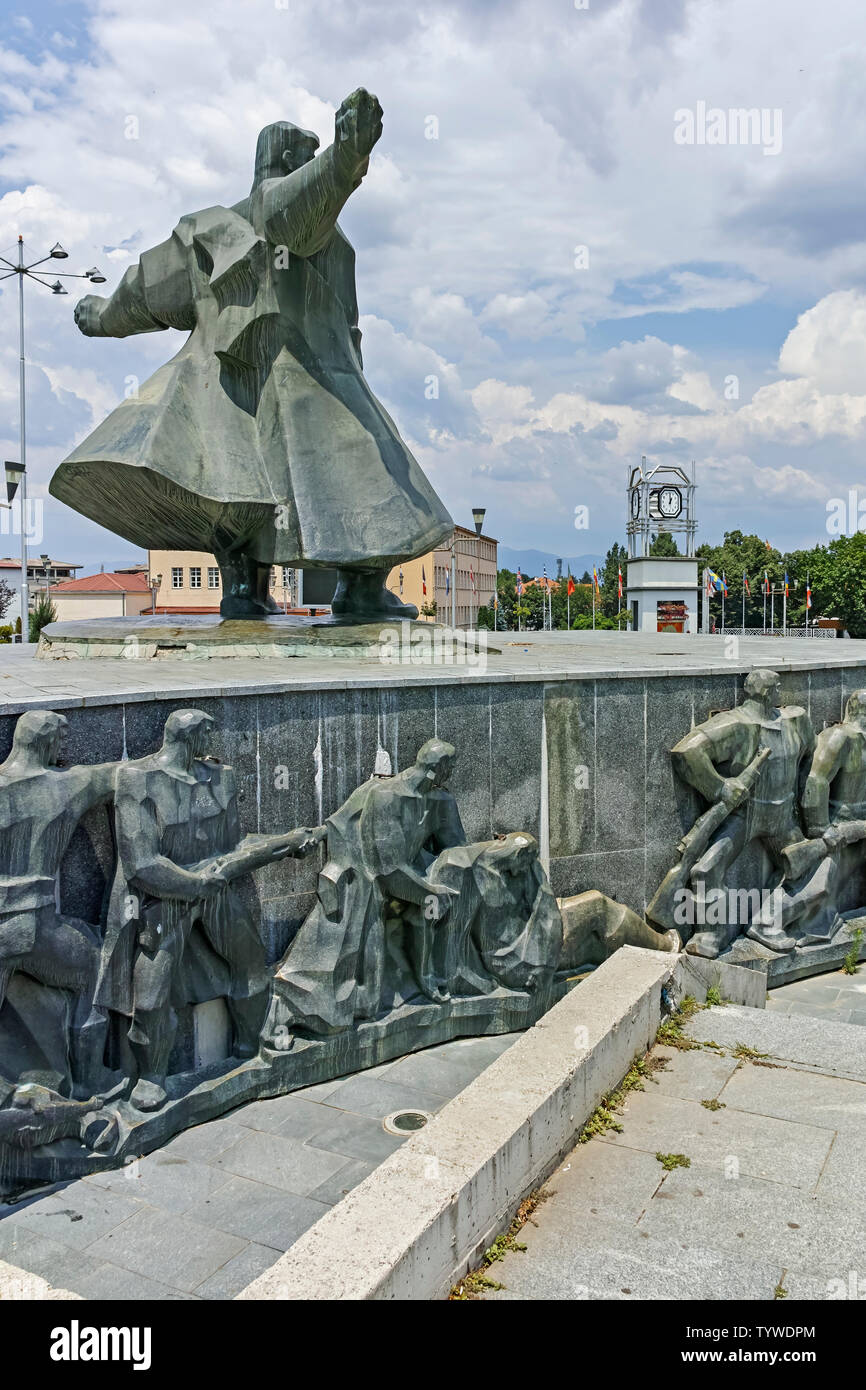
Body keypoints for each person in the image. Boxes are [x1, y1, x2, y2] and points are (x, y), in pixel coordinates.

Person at [50, 90, 453, 620]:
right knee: (359, 481)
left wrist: (105, 316)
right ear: (287, 163)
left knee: (247, 490)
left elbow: (144, 292)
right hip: (304, 387)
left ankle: (258, 588)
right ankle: (333, 588)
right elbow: (288, 212)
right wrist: (345, 159)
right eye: (301, 161)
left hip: (256, 391)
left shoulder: (213, 232)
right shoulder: (261, 218)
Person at [96, 709, 323, 1110]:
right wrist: (195, 884)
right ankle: (151, 1078)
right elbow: (141, 863)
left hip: (216, 890)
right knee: (150, 993)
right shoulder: (138, 780)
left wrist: (286, 843)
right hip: (163, 900)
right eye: (207, 735)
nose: (211, 745)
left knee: (251, 964)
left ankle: (248, 1044)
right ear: (192, 737)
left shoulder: (220, 777)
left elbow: (234, 843)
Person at [0, 710, 117, 1090]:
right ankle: (89, 1081)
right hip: (37, 926)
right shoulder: (68, 785)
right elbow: (121, 774)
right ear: (48, 742)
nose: (62, 749)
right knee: (94, 970)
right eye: (61, 741)